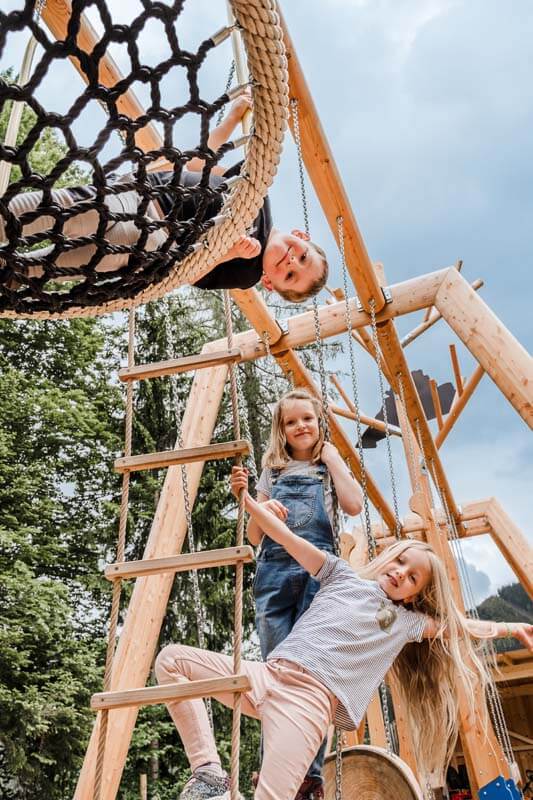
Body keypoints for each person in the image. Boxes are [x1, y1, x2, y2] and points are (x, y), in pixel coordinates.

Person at [155, 477, 533, 800]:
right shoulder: (340, 573)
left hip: (306, 706)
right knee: (171, 661)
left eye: (413, 577)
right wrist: (249, 501)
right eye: (400, 561)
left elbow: (458, 627)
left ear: (415, 595)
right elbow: (285, 537)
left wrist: (511, 628)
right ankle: (208, 772)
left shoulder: (405, 622)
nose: (401, 573)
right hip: (267, 675)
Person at [0, 91, 328, 302]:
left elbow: (191, 273)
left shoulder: (246, 273)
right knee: (61, 212)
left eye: (290, 276)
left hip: (150, 252)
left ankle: (10, 270)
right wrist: (230, 120)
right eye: (303, 257)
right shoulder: (255, 194)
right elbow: (201, 162)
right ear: (301, 235)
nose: (291, 262)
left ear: (270, 284)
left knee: (55, 264)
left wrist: (227, 253)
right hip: (142, 201)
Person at [248, 388, 362, 799]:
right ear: (281, 428)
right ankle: (273, 769)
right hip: (275, 572)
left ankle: (309, 774)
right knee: (276, 672)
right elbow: (253, 535)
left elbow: (353, 506)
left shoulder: (327, 466)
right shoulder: (271, 471)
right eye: (291, 421)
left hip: (319, 574)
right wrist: (264, 511)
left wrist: (332, 457)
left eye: (307, 419)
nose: (300, 426)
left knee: (312, 674)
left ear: (319, 424)